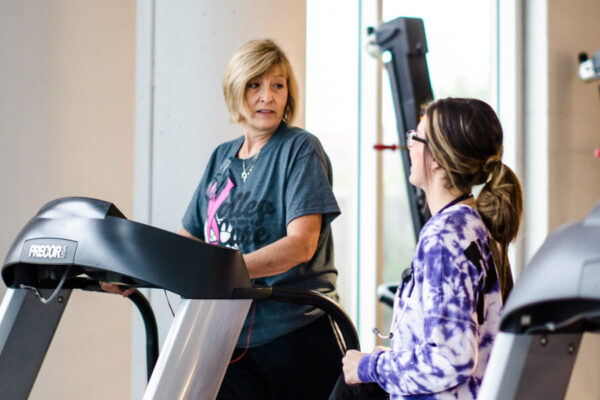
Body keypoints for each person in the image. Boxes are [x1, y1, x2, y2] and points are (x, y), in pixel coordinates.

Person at [178, 39, 343, 399]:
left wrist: (226, 273)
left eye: (277, 85)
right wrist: (138, 272)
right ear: (236, 89)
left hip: (295, 333)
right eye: (255, 85)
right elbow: (189, 241)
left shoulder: (299, 148)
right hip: (229, 337)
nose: (267, 96)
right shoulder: (221, 158)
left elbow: (302, 244)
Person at [337, 97, 522, 400]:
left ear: (435, 158)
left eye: (416, 137)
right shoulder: (475, 224)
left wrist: (371, 366)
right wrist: (397, 356)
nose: (409, 145)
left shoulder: (444, 238)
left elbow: (450, 359)